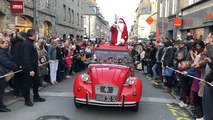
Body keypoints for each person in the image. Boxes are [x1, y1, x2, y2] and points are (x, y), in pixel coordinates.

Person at [22, 29, 45, 107]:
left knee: (36, 83)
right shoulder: (27, 44)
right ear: (33, 35)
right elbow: (26, 58)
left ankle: (36, 97)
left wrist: (37, 63)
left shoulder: (31, 43)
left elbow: (33, 56)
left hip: (34, 67)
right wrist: (30, 69)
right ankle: (27, 100)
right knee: (27, 84)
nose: (36, 36)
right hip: (29, 68)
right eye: (35, 34)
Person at [0, 38, 17, 112]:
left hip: (4, 73)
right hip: (1, 73)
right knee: (0, 91)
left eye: (7, 43)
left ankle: (1, 105)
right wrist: (15, 66)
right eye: (4, 43)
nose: (7, 45)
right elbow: (6, 62)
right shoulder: (1, 52)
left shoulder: (5, 51)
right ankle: (1, 107)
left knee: (1, 91)